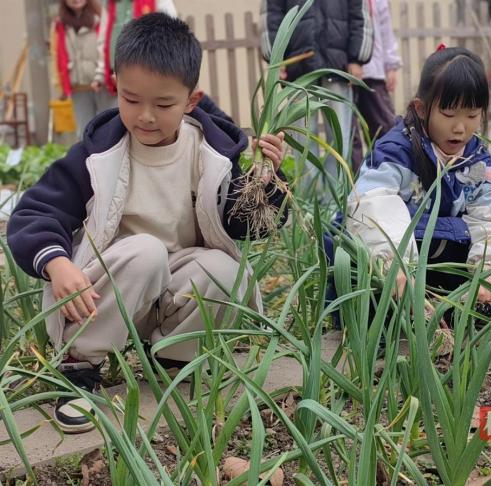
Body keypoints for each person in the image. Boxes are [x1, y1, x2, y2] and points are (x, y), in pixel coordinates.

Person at [7, 13, 287, 434]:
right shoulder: (98, 154)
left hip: (172, 289)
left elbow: (242, 225)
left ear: (192, 100)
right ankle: (80, 365)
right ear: (116, 85)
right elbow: (36, 212)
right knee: (146, 250)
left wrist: (267, 184)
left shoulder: (208, 153)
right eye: (131, 99)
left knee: (228, 270)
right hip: (109, 292)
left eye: (163, 104)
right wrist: (56, 263)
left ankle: (174, 356)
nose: (146, 117)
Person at [345, 46, 491, 317]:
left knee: (463, 235)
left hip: (443, 265)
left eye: (472, 115)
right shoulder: (396, 151)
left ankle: (460, 307)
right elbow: (372, 203)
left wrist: (489, 272)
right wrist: (396, 265)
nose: (460, 128)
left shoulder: (476, 161)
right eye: (449, 115)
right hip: (399, 268)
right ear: (422, 108)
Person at [260, 0, 373, 202]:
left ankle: (335, 201)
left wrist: (357, 57)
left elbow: (359, 12)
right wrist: (276, 57)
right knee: (302, 142)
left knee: (339, 141)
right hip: (298, 71)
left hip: (338, 68)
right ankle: (309, 203)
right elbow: (272, 13)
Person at [51, 0, 114, 137]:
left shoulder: (101, 17)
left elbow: (107, 47)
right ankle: (87, 159)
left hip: (103, 84)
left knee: (110, 129)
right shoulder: (60, 24)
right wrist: (61, 84)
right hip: (78, 87)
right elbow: (56, 54)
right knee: (84, 133)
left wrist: (101, 76)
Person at [350, 0, 401, 171]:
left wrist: (391, 64)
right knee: (349, 138)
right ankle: (354, 187)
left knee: (384, 129)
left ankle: (392, 174)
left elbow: (385, 26)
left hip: (373, 71)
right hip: (343, 71)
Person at [97, 0, 177, 94]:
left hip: (148, 70)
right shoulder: (110, 3)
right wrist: (101, 72)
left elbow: (171, 32)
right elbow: (103, 37)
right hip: (115, 73)